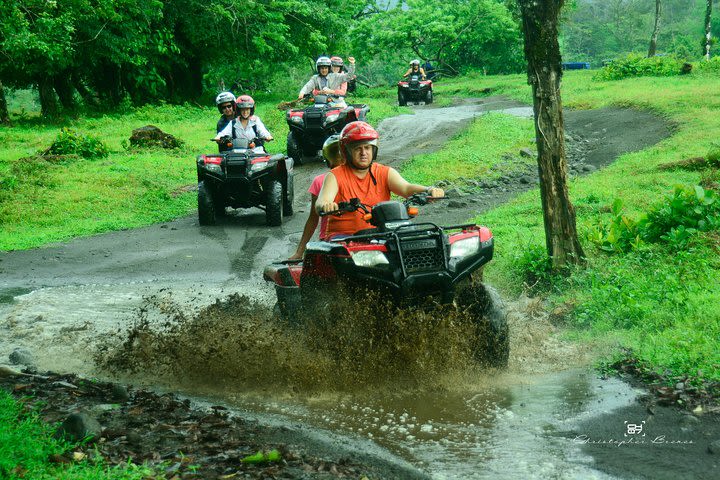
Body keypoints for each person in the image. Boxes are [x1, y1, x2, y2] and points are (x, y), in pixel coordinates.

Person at [315, 121, 443, 238]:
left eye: (367, 147)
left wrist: (429, 190)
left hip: (381, 233)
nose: (363, 153)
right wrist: (327, 205)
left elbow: (406, 188)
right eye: (358, 148)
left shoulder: (384, 172)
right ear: (346, 152)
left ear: (373, 150)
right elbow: (321, 202)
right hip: (345, 237)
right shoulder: (334, 176)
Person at [288, 135, 343, 260]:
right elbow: (313, 218)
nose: (339, 157)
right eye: (335, 153)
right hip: (330, 240)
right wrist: (299, 252)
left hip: (358, 237)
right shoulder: (320, 181)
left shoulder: (360, 177)